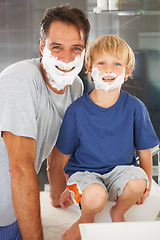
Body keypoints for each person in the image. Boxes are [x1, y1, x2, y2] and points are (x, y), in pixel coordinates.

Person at [48, 34, 159, 240]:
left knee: (138, 181)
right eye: (101, 63)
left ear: (127, 72)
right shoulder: (77, 111)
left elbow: (144, 149)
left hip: (120, 172)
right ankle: (85, 220)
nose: (109, 70)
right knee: (95, 197)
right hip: (84, 174)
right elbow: (62, 155)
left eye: (117, 64)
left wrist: (147, 184)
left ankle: (117, 212)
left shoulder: (135, 107)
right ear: (89, 69)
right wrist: (66, 188)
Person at [0, 4, 90, 240]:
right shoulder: (20, 80)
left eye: (76, 48)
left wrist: (57, 197)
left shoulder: (75, 87)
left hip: (17, 208)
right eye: (57, 47)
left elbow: (58, 153)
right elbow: (19, 168)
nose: (66, 59)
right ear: (42, 47)